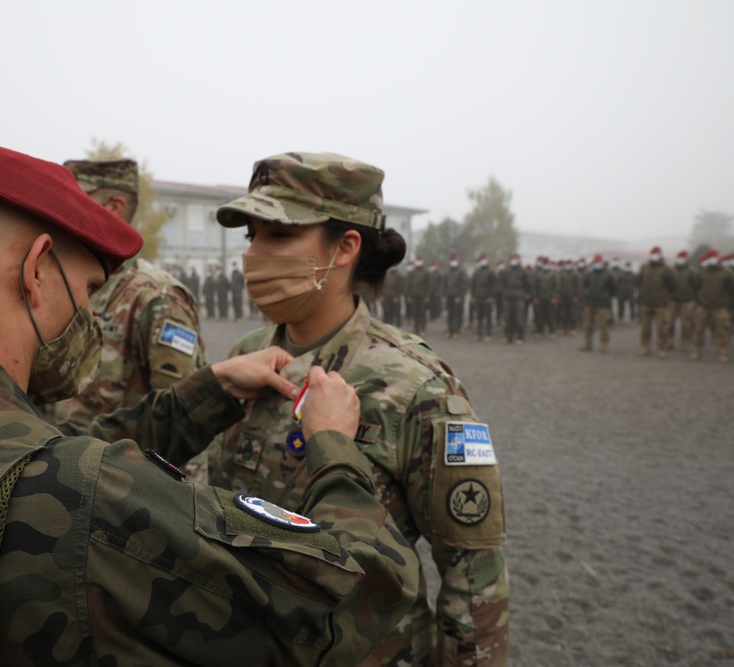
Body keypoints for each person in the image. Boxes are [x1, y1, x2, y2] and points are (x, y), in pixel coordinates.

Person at [0, 135, 420, 667]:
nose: (89, 314)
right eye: (90, 288)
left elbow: (38, 454)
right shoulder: (90, 496)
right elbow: (357, 594)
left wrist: (210, 390)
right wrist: (335, 446)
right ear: (38, 270)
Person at [192, 152, 509, 667]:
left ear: (345, 247)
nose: (254, 255)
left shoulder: (417, 385)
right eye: (252, 237)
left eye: (278, 235)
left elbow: (472, 573)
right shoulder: (244, 357)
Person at [47, 159, 205, 430]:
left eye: (76, 197)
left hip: (123, 470)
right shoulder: (64, 287)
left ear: (114, 207)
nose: (61, 208)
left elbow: (182, 420)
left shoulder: (158, 298)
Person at [691, 248, 734, 363]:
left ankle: (724, 353)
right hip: (704, 306)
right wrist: (699, 301)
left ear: (718, 258)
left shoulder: (726, 274)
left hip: (721, 307)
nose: (713, 260)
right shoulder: (702, 273)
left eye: (715, 257)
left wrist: (728, 304)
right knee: (699, 330)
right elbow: (696, 288)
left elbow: (733, 290)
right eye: (710, 257)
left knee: (723, 331)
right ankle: (697, 351)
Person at [636, 246, 677, 358]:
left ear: (660, 255)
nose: (655, 256)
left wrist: (666, 297)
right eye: (653, 253)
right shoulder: (644, 267)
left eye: (657, 253)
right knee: (645, 328)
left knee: (661, 328)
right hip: (646, 303)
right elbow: (638, 281)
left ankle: (662, 349)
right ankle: (645, 347)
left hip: (661, 304)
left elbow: (673, 285)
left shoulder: (666, 269)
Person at [580, 254, 616, 353]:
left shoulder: (608, 275)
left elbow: (613, 289)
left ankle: (603, 345)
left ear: (602, 262)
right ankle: (587, 344)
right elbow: (585, 285)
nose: (597, 263)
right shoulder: (589, 274)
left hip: (603, 304)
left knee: (603, 326)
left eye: (599, 261)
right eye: (595, 261)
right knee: (588, 325)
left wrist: (606, 297)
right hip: (590, 303)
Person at [499, 252, 531, 345]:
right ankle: (508, 337)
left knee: (519, 318)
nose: (514, 260)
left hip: (519, 297)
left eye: (516, 258)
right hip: (508, 297)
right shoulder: (506, 271)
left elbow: (528, 283)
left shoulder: (523, 271)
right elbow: (502, 283)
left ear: (519, 260)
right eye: (513, 258)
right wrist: (503, 294)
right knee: (507, 318)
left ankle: (520, 337)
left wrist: (528, 293)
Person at [668, 249, 696, 350]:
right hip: (672, 299)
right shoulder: (671, 270)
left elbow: (695, 285)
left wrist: (693, 298)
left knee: (686, 322)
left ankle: (685, 340)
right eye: (680, 257)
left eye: (683, 257)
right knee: (670, 321)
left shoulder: (691, 271)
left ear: (687, 259)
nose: (681, 259)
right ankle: (670, 340)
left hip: (686, 300)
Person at [470, 252, 497, 342]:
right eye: (482, 259)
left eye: (485, 259)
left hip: (487, 298)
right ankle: (479, 334)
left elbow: (494, 285)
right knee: (479, 316)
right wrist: (473, 296)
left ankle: (488, 334)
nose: (483, 261)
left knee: (488, 317)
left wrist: (491, 296)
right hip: (478, 297)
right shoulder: (477, 272)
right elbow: (473, 285)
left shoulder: (491, 272)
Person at [444, 252, 468, 339]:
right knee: (450, 313)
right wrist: (444, 296)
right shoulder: (448, 271)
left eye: (455, 259)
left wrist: (460, 296)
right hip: (449, 295)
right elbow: (444, 284)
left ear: (458, 260)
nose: (453, 261)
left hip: (457, 296)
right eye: (452, 259)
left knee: (457, 314)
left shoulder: (461, 271)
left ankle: (456, 330)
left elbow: (464, 285)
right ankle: (450, 330)